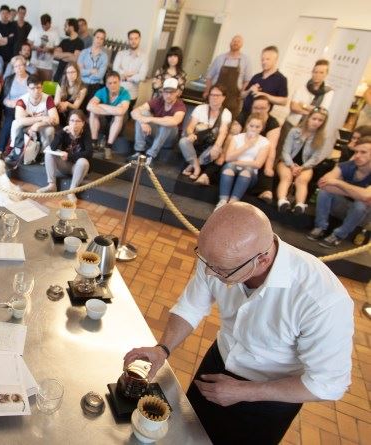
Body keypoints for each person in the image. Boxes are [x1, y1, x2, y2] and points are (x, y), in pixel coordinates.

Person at [124, 201, 353, 445]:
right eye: (205, 261)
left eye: (221, 270)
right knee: (185, 435)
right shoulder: (217, 257)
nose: (210, 273)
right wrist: (163, 349)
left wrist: (246, 391)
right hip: (217, 363)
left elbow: (328, 384)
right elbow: (191, 306)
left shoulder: (322, 299)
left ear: (262, 260)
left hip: (270, 395)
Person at [307, 137, 371, 248]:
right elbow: (323, 183)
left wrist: (338, 183)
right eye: (356, 152)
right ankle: (320, 227)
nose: (357, 156)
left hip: (362, 215)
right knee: (324, 191)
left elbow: (367, 196)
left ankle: (338, 236)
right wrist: (358, 194)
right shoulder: (348, 165)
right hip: (340, 206)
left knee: (360, 205)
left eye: (363, 152)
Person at [276, 108, 330, 214]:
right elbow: (285, 151)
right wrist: (292, 166)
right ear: (308, 118)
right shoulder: (294, 131)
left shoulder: (321, 138)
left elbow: (315, 158)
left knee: (302, 181)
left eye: (320, 120)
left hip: (305, 166)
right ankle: (282, 201)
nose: (316, 122)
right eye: (314, 119)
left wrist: (302, 167)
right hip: (287, 162)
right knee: (286, 177)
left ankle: (300, 205)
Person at [216, 113, 270, 210]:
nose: (254, 129)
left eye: (257, 127)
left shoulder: (265, 142)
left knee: (246, 171)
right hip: (232, 167)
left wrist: (237, 162)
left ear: (262, 128)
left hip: (250, 173)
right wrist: (247, 146)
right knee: (229, 168)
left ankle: (232, 203)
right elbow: (228, 158)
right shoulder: (237, 138)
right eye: (251, 126)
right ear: (247, 125)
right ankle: (222, 202)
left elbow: (258, 164)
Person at [37, 110, 93, 203]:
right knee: (49, 153)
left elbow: (89, 153)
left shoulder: (86, 133)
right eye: (72, 120)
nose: (74, 124)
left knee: (83, 162)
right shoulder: (64, 132)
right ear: (68, 122)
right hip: (65, 165)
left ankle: (72, 191)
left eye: (77, 121)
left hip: (78, 168)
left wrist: (69, 156)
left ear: (83, 123)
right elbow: (52, 147)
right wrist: (62, 132)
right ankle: (52, 185)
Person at [179, 84, 232, 180]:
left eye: (217, 95)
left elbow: (223, 132)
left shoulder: (226, 113)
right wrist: (191, 134)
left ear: (223, 97)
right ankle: (196, 166)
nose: (214, 97)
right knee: (183, 141)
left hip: (211, 145)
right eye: (212, 95)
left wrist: (217, 146)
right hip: (197, 142)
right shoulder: (200, 108)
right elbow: (190, 126)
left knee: (216, 151)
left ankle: (192, 166)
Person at [129, 77, 186, 162]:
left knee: (168, 122)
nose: (168, 95)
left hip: (168, 140)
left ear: (177, 92)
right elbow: (134, 112)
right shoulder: (158, 101)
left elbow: (175, 121)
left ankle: (150, 155)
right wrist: (142, 122)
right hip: (154, 135)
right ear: (162, 92)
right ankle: (139, 151)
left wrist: (149, 119)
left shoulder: (180, 106)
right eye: (166, 92)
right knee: (143, 113)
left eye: (172, 92)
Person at [5, 75, 59, 164]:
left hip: (42, 126)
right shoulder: (22, 100)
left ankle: (44, 153)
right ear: (27, 89)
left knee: (50, 130)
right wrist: (42, 118)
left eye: (38, 87)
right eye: (32, 88)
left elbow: (56, 120)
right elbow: (19, 119)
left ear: (42, 87)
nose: (36, 91)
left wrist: (38, 124)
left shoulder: (48, 99)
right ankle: (14, 149)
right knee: (15, 123)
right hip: (27, 126)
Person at [282, 59, 334, 142]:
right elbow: (293, 107)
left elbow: (321, 112)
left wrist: (304, 105)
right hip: (291, 124)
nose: (317, 75)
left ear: (326, 74)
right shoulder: (302, 87)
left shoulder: (328, 92)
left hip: (308, 130)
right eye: (315, 72)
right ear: (312, 72)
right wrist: (312, 111)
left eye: (321, 72)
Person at [203, 35, 252, 117]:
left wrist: (240, 93)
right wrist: (207, 91)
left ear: (241, 45)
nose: (235, 43)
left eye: (238, 41)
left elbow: (247, 80)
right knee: (210, 118)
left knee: (229, 121)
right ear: (230, 42)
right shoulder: (219, 58)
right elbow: (209, 77)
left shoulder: (246, 60)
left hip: (233, 99)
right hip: (216, 97)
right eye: (234, 41)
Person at [87, 70, 131, 158]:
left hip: (118, 124)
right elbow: (89, 106)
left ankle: (109, 146)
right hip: (103, 122)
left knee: (119, 115)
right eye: (110, 83)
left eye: (115, 82)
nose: (112, 85)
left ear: (119, 82)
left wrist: (101, 106)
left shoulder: (125, 93)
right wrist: (114, 110)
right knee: (93, 112)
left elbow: (121, 111)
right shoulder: (102, 91)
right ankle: (94, 142)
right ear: (106, 84)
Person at [240, 46, 288, 115]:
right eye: (262, 59)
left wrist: (265, 95)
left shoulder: (281, 79)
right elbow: (241, 96)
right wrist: (249, 90)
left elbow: (284, 101)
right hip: (243, 114)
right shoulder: (256, 76)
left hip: (259, 118)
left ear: (275, 60)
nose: (264, 62)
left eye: (267, 59)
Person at [0, 55, 30, 151]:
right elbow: (4, 98)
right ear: (13, 68)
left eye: (20, 65)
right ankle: (0, 150)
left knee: (20, 125)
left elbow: (35, 96)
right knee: (8, 123)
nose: (18, 68)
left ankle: (17, 150)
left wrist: (20, 104)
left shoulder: (31, 79)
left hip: (27, 108)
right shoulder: (9, 79)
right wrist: (9, 103)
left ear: (25, 66)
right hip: (11, 108)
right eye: (16, 66)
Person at [113, 29, 149, 108]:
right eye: (131, 39)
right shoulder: (120, 54)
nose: (133, 41)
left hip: (132, 94)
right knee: (112, 112)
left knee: (128, 114)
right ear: (128, 40)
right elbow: (115, 70)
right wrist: (134, 74)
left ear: (139, 39)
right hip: (117, 91)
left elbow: (142, 76)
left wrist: (124, 76)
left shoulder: (144, 57)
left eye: (136, 38)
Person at [78, 28, 108, 107]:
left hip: (95, 87)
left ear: (103, 41)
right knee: (78, 107)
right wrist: (91, 71)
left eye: (102, 38)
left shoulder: (104, 57)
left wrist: (85, 72)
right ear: (93, 37)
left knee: (90, 109)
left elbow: (100, 76)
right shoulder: (84, 52)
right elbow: (79, 71)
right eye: (97, 37)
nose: (99, 40)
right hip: (82, 84)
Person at [26, 13, 60, 81]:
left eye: (46, 26)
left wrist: (49, 50)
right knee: (32, 84)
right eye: (43, 26)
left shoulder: (55, 32)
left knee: (46, 86)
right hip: (33, 64)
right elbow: (28, 44)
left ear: (50, 23)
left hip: (47, 66)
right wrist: (36, 48)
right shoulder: (35, 28)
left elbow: (58, 49)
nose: (44, 28)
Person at [53, 18, 84, 83]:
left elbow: (75, 59)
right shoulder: (64, 41)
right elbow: (55, 55)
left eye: (65, 26)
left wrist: (61, 55)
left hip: (68, 79)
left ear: (71, 27)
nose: (64, 28)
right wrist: (69, 54)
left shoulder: (80, 42)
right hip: (57, 75)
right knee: (48, 89)